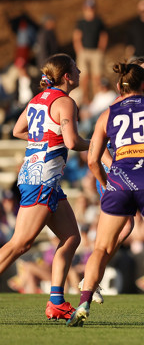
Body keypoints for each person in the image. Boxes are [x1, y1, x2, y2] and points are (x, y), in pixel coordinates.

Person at [66, 61, 144, 328]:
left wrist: (105, 183)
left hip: (119, 185)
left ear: (118, 86)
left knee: (101, 248)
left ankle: (84, 301)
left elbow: (92, 160)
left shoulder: (107, 114)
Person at [0, 53, 89, 320]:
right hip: (41, 180)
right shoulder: (65, 102)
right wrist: (99, 142)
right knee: (20, 244)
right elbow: (72, 142)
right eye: (75, 67)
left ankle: (57, 302)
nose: (80, 71)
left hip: (43, 179)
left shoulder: (37, 100)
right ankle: (57, 302)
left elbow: (17, 130)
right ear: (66, 76)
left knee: (71, 237)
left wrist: (41, 140)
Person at [72, 0, 109, 104]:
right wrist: (79, 50)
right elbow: (77, 37)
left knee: (97, 76)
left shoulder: (99, 21)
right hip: (84, 52)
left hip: (96, 52)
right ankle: (85, 99)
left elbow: (103, 36)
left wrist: (101, 48)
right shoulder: (81, 22)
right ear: (85, 8)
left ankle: (97, 99)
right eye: (88, 7)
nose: (90, 10)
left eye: (92, 7)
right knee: (84, 77)